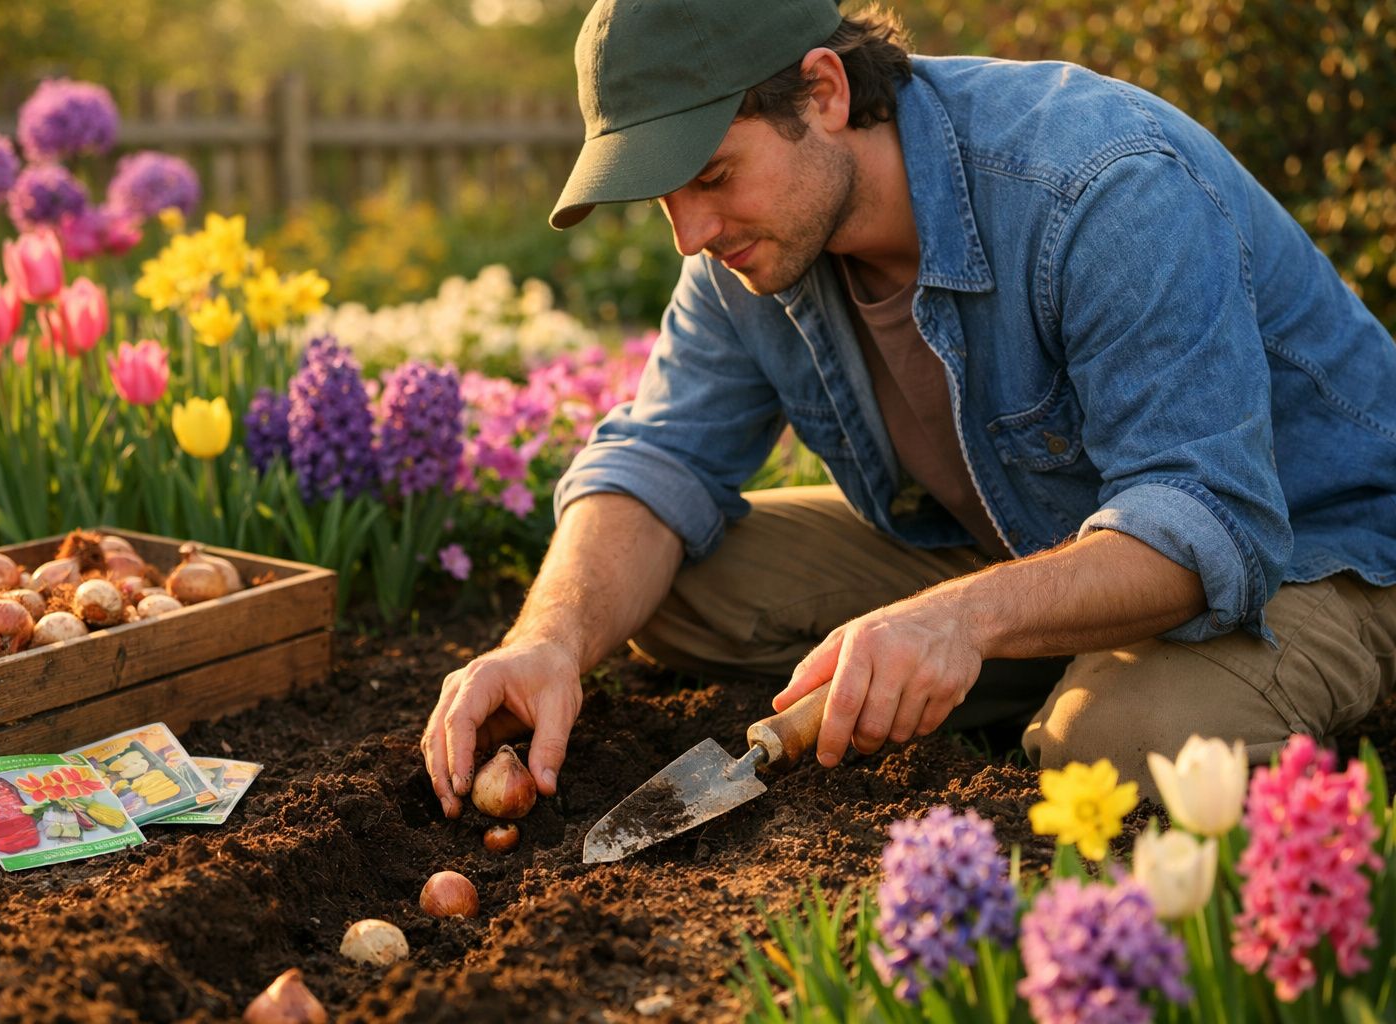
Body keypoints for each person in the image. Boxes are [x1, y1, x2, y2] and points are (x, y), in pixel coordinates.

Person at [422, 0, 1396, 816]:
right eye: (664, 201)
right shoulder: (748, 256)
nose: (692, 235)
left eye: (712, 177)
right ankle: (1050, 661)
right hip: (1042, 543)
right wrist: (544, 641)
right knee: (657, 587)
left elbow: (1205, 518)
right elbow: (661, 459)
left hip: (1317, 549)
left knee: (1118, 745)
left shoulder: (1094, 183)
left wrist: (958, 621)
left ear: (826, 92)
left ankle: (1252, 706)